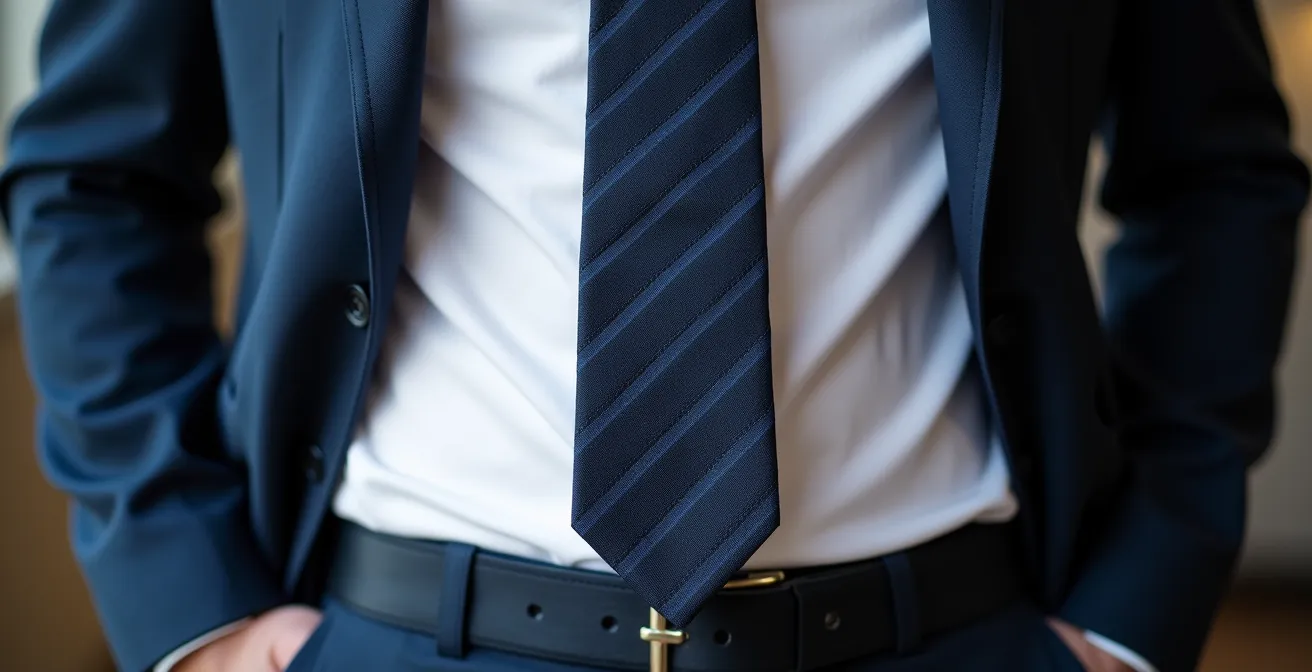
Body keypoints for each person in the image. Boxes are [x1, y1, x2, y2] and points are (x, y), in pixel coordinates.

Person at [2, 0, 1307, 670]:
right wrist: (196, 605)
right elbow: (93, 172)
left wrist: (1140, 601)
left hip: (949, 637)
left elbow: (1214, 163)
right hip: (405, 639)